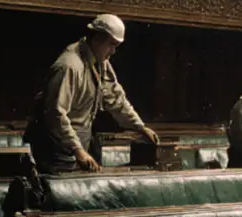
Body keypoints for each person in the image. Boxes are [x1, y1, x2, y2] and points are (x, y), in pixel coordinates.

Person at [25, 14, 158, 174]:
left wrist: (140, 127)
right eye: (111, 44)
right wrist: (78, 150)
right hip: (55, 148)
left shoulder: (101, 62)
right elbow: (55, 114)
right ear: (98, 38)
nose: (113, 51)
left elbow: (116, 99)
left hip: (77, 145)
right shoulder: (70, 66)